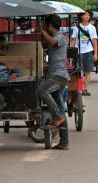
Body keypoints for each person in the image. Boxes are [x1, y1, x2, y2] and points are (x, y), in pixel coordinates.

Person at [38, 14, 70, 150]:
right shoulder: (50, 37)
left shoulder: (60, 37)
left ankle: (57, 116)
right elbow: (44, 44)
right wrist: (41, 31)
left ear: (50, 25)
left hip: (59, 76)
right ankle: (64, 142)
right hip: (54, 75)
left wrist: (43, 31)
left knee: (41, 90)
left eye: (47, 25)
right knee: (60, 108)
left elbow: (52, 42)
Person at [71, 10, 98, 96]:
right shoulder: (76, 28)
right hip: (78, 52)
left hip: (88, 51)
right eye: (85, 15)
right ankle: (79, 88)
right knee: (78, 71)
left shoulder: (92, 28)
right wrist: (71, 52)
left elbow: (94, 41)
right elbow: (73, 40)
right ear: (81, 16)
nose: (87, 16)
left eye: (88, 15)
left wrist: (95, 53)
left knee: (88, 71)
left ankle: (84, 89)